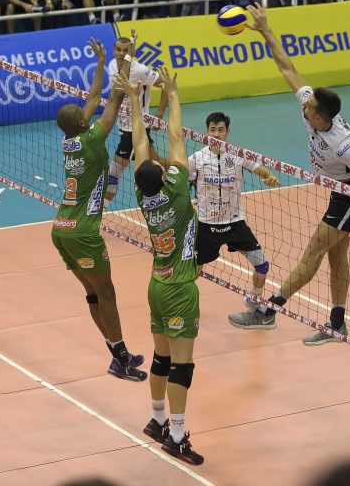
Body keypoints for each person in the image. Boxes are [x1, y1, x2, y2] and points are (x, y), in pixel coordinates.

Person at [228, 5, 350, 342]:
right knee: (336, 255)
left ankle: (267, 312)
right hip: (338, 188)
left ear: (321, 118)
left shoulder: (344, 144)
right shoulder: (312, 106)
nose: (304, 107)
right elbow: (287, 66)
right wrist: (266, 29)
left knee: (313, 252)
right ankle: (337, 324)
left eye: (309, 108)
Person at [51, 39, 147, 382]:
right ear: (82, 124)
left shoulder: (70, 140)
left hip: (60, 229)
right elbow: (115, 98)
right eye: (83, 115)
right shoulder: (92, 139)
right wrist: (125, 59)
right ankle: (121, 359)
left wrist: (103, 61)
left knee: (93, 293)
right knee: (106, 293)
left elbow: (93, 98)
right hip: (82, 232)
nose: (87, 111)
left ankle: (118, 354)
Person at [125, 65, 205, 466]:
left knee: (161, 359)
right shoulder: (177, 190)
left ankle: (157, 420)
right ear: (163, 176)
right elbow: (175, 137)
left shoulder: (145, 195)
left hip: (156, 284)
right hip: (179, 289)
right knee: (182, 367)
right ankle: (175, 436)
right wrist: (172, 94)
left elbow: (140, 143)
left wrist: (134, 101)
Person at [189, 112, 280, 309]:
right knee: (192, 271)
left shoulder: (238, 155)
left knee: (262, 266)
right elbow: (181, 179)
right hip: (206, 225)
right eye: (213, 130)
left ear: (228, 132)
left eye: (221, 130)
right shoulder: (196, 158)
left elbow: (261, 170)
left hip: (234, 223)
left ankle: (254, 299)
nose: (216, 134)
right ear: (207, 132)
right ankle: (182, 301)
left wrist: (269, 177)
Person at [105, 36, 166, 201]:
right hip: (123, 125)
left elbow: (165, 85)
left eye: (125, 50)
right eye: (118, 49)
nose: (121, 53)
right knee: (157, 162)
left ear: (131, 51)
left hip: (135, 128)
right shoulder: (112, 65)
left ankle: (101, 208)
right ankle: (185, 175)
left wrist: (159, 114)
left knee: (113, 174)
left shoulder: (139, 70)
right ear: (113, 50)